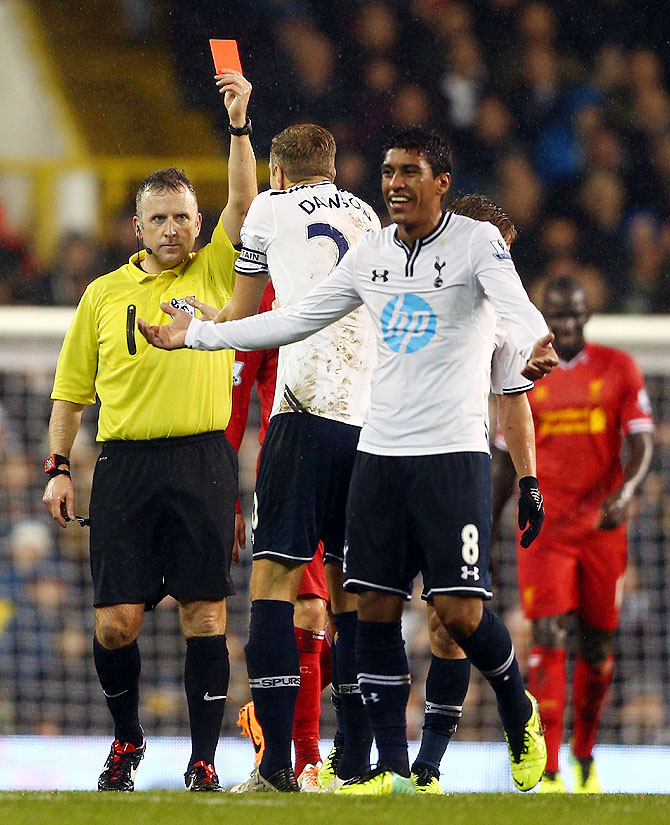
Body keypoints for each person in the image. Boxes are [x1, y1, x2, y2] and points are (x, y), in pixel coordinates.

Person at [137, 126, 558, 795]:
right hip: (374, 443)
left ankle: (501, 706)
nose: (394, 183)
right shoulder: (369, 241)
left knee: (436, 611)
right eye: (388, 170)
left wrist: (539, 352)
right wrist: (199, 335)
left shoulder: (472, 252)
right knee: (368, 602)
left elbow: (518, 339)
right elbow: (296, 317)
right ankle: (379, 766)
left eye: (408, 172)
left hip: (405, 442)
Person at [41, 70, 256, 793]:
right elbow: (71, 392)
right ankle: (128, 740)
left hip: (203, 459)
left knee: (206, 613)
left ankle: (202, 759)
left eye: (183, 217)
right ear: (139, 227)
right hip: (126, 465)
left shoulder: (220, 272)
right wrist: (58, 468)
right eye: (159, 218)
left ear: (200, 224)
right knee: (115, 625)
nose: (173, 229)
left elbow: (245, 199)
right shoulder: (103, 296)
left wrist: (237, 126)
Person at [184, 123, 381, 794]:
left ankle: (275, 768)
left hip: (302, 409)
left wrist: (197, 326)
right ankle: (355, 759)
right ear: (332, 165)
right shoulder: (366, 214)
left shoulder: (269, 208)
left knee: (274, 580)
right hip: (370, 417)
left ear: (277, 169)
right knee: (354, 588)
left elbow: (244, 312)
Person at [491, 275, 654, 793]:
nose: (564, 323)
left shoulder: (618, 367)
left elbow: (642, 442)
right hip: (545, 529)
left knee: (598, 647)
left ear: (587, 313)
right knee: (547, 638)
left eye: (572, 313)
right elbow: (502, 457)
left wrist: (625, 493)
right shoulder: (526, 370)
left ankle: (584, 753)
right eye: (555, 314)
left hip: (603, 529)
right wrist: (488, 520)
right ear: (544, 315)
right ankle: (552, 767)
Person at [410, 193, 546, 794]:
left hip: (457, 469)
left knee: (451, 617)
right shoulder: (397, 280)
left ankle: (430, 763)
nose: (500, 269)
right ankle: (361, 752)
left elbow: (513, 404)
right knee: (361, 605)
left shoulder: (497, 317)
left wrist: (528, 481)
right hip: (382, 460)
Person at [223, 279, 332, 790]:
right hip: (290, 467)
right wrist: (228, 495)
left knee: (362, 610)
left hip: (362, 459)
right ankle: (304, 760)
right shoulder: (264, 296)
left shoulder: (364, 275)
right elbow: (236, 401)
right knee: (307, 608)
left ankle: (268, 715)